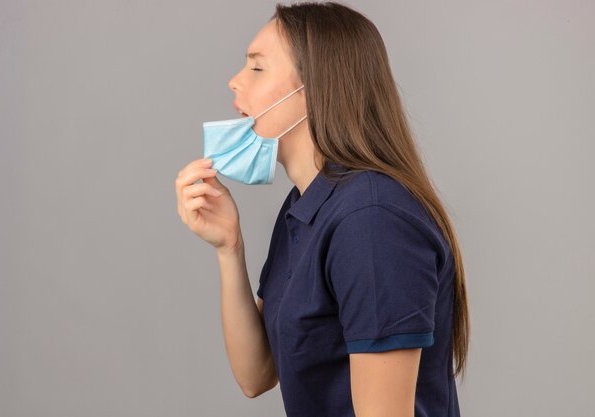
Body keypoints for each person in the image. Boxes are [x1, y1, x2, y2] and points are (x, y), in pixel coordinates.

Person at [175, 2, 470, 416]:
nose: (234, 82)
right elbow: (256, 375)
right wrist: (229, 247)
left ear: (317, 89)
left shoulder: (372, 221)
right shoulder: (306, 206)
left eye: (257, 68)